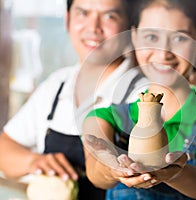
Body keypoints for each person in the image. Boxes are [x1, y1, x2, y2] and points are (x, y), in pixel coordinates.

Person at [82, 0, 196, 199]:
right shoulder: (105, 117)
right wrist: (113, 170)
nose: (164, 52)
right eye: (151, 37)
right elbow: (96, 173)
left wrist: (176, 173)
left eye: (180, 38)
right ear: (134, 37)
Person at [0, 0, 146, 199]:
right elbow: (4, 146)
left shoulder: (145, 95)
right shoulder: (57, 85)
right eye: (83, 13)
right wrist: (33, 161)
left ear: (130, 26)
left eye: (109, 16)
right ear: (67, 20)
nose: (93, 28)